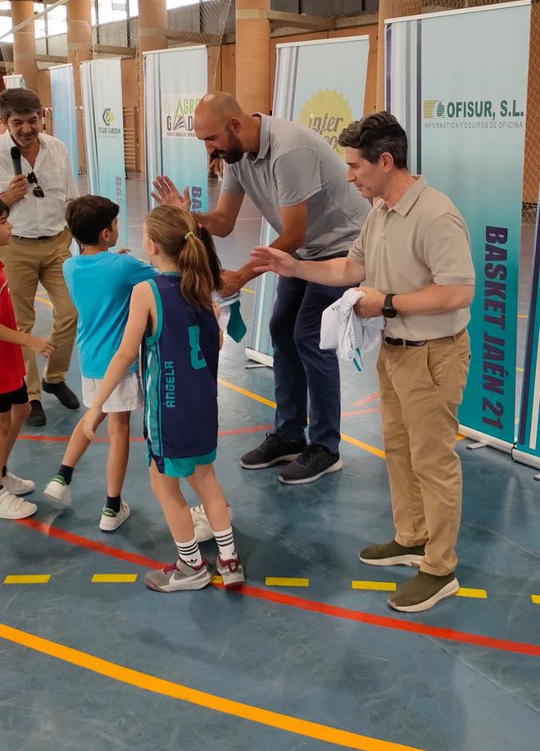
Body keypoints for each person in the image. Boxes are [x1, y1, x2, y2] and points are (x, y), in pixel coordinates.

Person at [252, 111, 475, 614]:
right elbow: (352, 268)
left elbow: (459, 291)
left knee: (434, 462)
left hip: (433, 357)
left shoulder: (435, 215)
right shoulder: (379, 212)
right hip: (394, 354)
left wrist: (388, 303)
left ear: (386, 162)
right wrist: (296, 266)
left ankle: (440, 567)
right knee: (398, 450)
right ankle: (412, 536)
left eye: (355, 166)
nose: (349, 176)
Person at [152, 92, 370, 486]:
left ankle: (326, 447)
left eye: (211, 139)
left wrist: (242, 275)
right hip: (303, 250)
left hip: (344, 247)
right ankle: (289, 435)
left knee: (309, 336)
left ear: (235, 125)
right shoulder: (238, 156)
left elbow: (293, 232)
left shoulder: (289, 150)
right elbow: (223, 222)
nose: (209, 150)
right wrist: (187, 216)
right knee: (281, 331)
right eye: (204, 142)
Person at [82, 205, 245, 593]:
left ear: (152, 246)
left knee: (163, 485)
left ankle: (191, 567)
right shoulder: (201, 287)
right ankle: (229, 560)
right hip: (204, 406)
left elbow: (124, 356)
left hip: (168, 411)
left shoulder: (147, 291)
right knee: (206, 481)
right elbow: (217, 341)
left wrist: (96, 408)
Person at [43, 195, 153, 530]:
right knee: (118, 430)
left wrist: (113, 260)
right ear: (106, 233)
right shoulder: (125, 267)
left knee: (90, 418)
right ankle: (111, 508)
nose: (119, 228)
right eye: (116, 224)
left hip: (89, 361)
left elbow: (102, 274)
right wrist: (122, 262)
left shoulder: (69, 266)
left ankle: (62, 476)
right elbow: (161, 274)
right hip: (119, 364)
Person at [0, 87, 79, 427]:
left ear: (42, 117)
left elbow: (71, 198)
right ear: (5, 122)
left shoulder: (58, 149)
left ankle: (55, 377)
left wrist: (77, 239)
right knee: (22, 323)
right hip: (14, 246)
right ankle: (31, 394)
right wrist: (6, 196)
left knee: (71, 311)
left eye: (33, 121)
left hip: (58, 242)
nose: (27, 129)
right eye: (18, 122)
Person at [0, 198, 54, 519]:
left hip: (7, 358)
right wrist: (27, 338)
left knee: (20, 410)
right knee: (2, 420)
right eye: (4, 222)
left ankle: (2, 470)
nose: (11, 227)